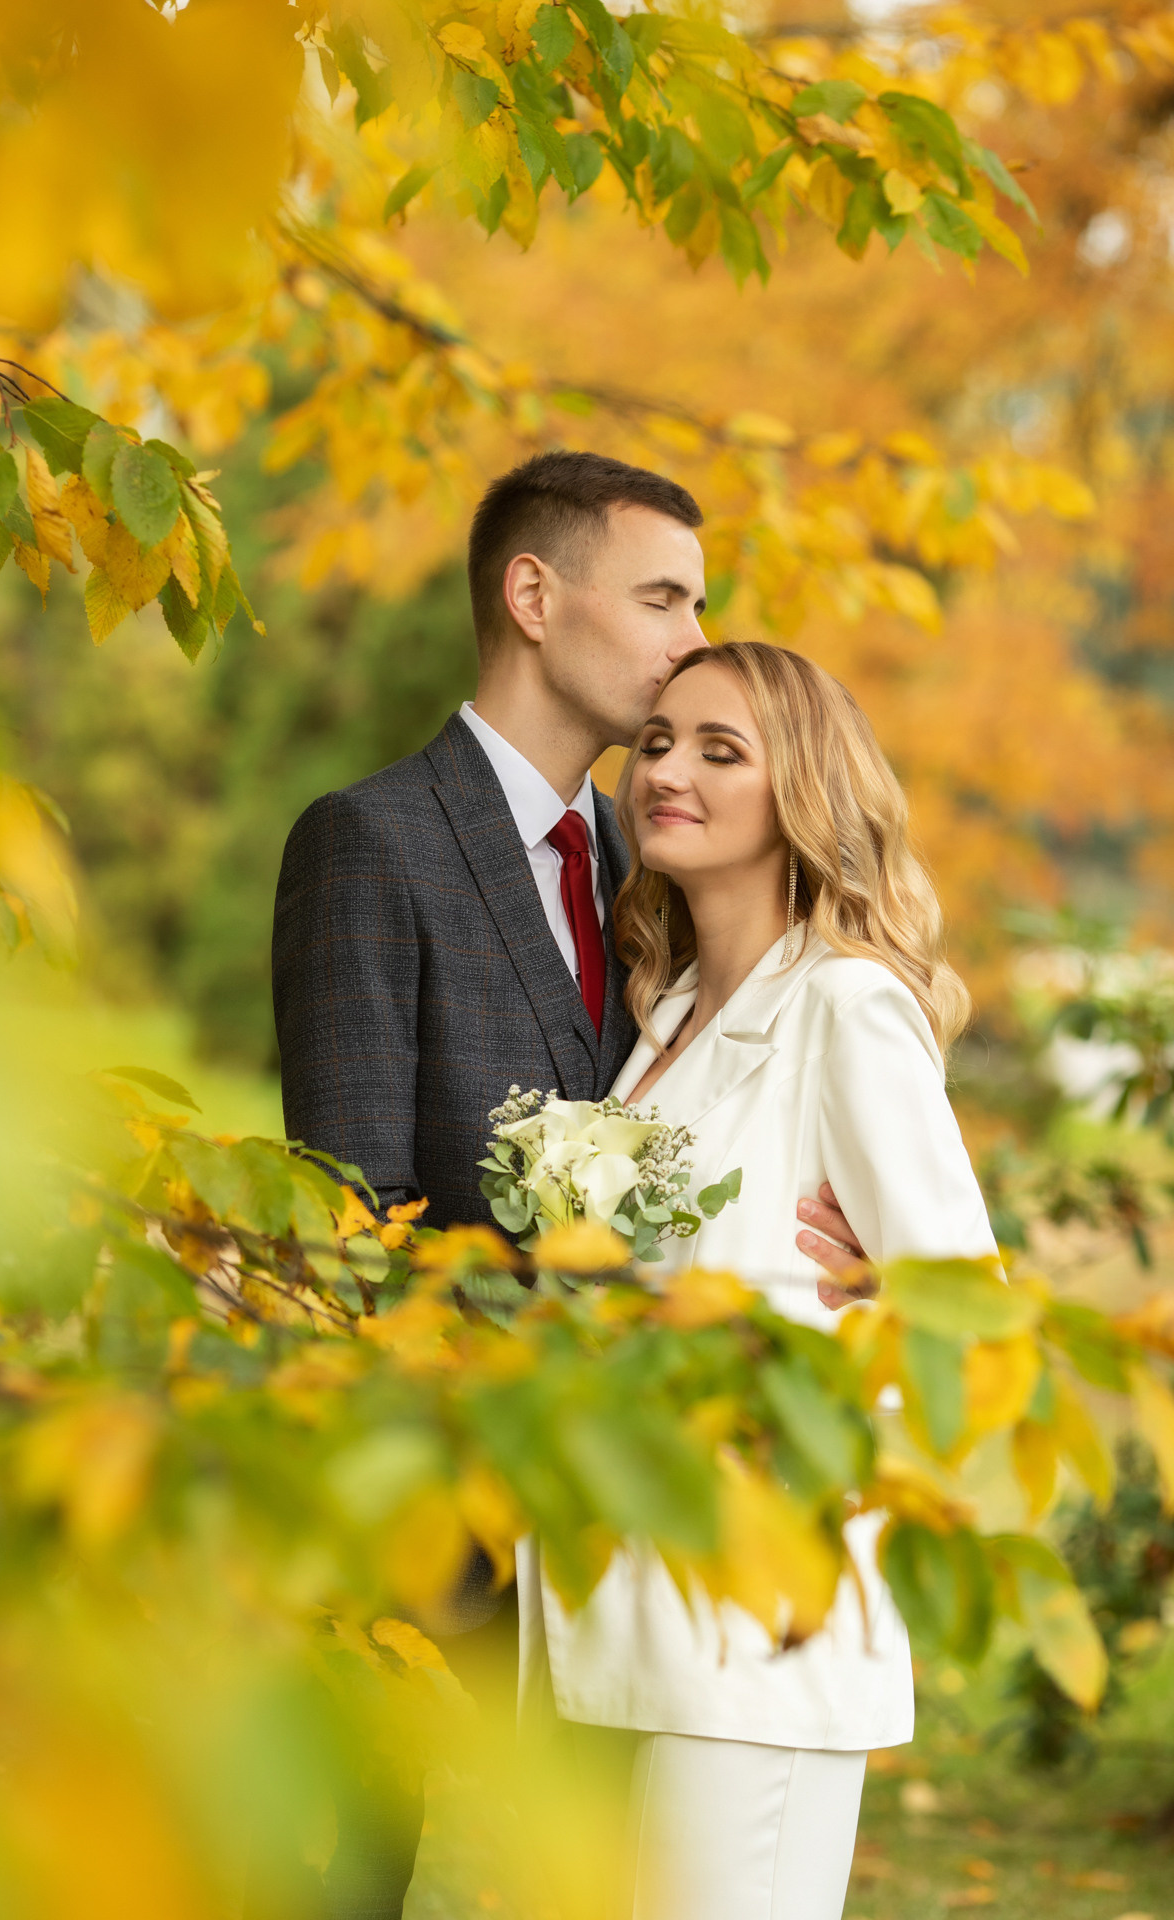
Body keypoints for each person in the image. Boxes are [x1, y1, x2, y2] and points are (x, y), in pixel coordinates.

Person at [272, 456, 875, 1918]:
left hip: (625, 1538)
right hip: (443, 1500)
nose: (690, 637)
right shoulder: (371, 841)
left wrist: (842, 1248)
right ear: (534, 597)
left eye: (700, 605)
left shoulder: (651, 858)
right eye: (663, 597)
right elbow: (355, 1224)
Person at [517, 640, 998, 1920]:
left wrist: (883, 1306)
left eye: (719, 751)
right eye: (656, 742)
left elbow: (971, 1323)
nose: (665, 771)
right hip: (614, 1632)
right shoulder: (660, 1022)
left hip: (752, 1639)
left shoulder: (844, 1008)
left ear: (804, 796)